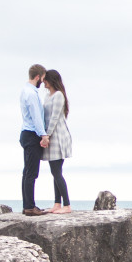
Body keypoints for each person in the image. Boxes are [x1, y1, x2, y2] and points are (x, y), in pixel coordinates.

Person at [19, 64, 50, 216]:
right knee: (31, 172)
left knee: (27, 172)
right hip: (32, 134)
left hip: (26, 133)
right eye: (42, 78)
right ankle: (30, 206)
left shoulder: (26, 91)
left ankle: (27, 205)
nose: (43, 82)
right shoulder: (31, 94)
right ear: (37, 77)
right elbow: (36, 117)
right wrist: (43, 135)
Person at [41, 69, 73, 214]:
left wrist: (47, 135)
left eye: (45, 79)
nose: (43, 82)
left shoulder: (59, 95)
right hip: (51, 136)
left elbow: (54, 118)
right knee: (55, 172)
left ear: (51, 80)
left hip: (58, 136)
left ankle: (67, 205)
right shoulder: (48, 96)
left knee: (56, 172)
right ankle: (57, 203)